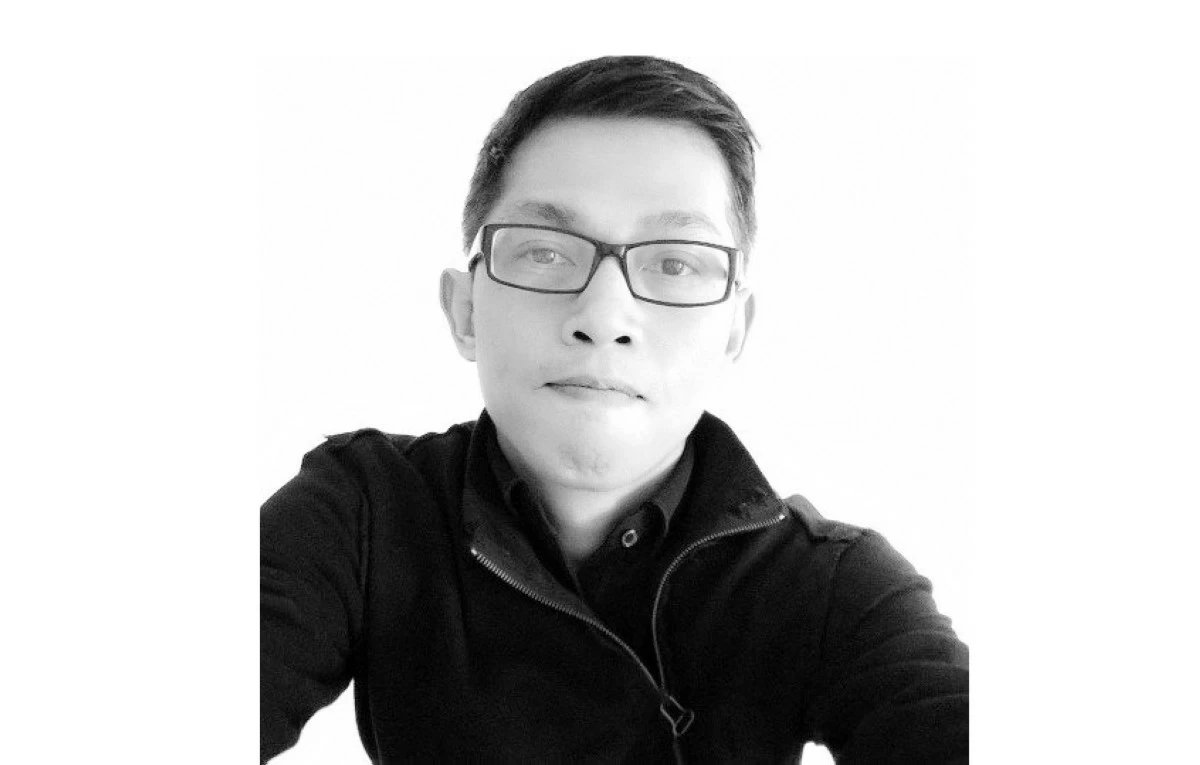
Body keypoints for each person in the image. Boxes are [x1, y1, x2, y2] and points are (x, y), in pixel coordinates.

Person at [260, 55, 969, 763]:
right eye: (545, 252)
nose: (603, 316)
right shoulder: (362, 512)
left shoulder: (834, 584)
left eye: (675, 262)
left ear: (733, 332)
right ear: (465, 310)